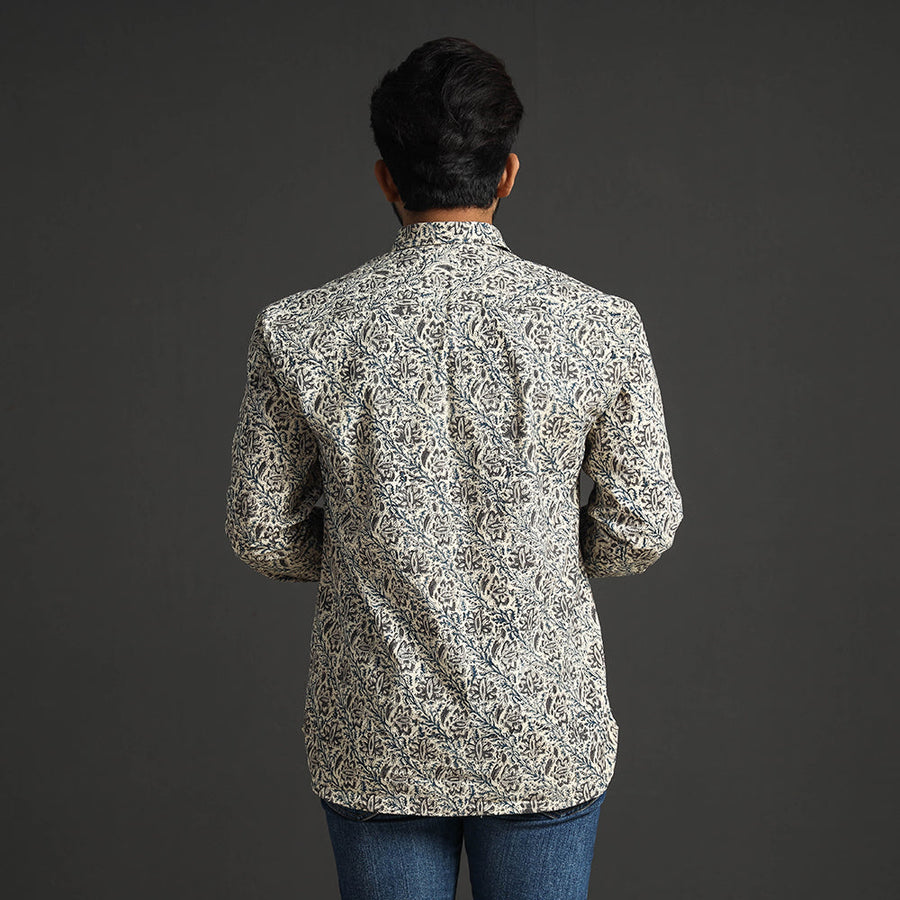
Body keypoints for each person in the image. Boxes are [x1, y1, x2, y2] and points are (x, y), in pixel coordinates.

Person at [225, 36, 683, 900]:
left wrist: (374, 553)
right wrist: (539, 562)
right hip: (539, 722)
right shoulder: (599, 325)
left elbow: (260, 532)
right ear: (507, 174)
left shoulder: (300, 329)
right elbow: (642, 526)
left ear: (385, 179)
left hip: (378, 726)